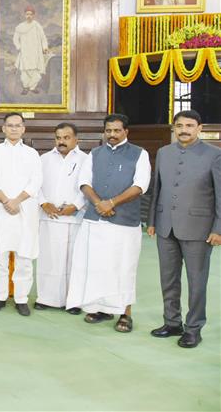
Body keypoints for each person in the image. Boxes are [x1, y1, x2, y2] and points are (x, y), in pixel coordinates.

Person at [66, 113, 151, 334]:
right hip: (95, 219)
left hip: (125, 222)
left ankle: (125, 312)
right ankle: (100, 308)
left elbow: (140, 185)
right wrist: (99, 204)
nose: (112, 135)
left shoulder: (139, 154)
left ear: (126, 132)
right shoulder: (94, 153)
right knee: (96, 266)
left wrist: (112, 202)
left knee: (124, 266)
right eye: (108, 131)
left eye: (117, 131)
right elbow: (84, 182)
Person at [147, 110, 221, 348]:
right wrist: (151, 221)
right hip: (165, 226)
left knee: (196, 281)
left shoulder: (215, 155)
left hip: (199, 229)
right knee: (168, 278)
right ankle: (172, 322)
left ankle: (193, 328)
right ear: (173, 128)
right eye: (179, 125)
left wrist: (218, 228)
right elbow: (156, 190)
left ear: (200, 128)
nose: (184, 130)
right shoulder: (164, 153)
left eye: (189, 125)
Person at [0, 112, 42, 316]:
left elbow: (36, 182)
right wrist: (7, 201)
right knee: (0, 256)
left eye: (18, 125)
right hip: (1, 209)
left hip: (24, 210)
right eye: (10, 125)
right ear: (3, 128)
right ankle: (0, 297)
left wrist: (16, 201)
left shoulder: (32, 154)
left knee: (24, 257)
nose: (14, 129)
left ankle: (21, 298)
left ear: (24, 129)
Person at [35, 122, 88, 314]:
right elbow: (35, 185)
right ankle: (46, 298)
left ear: (76, 139)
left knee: (72, 261)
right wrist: (43, 203)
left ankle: (72, 301)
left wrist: (75, 205)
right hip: (49, 216)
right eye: (58, 137)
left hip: (74, 217)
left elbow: (88, 185)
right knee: (48, 259)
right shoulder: (44, 159)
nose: (62, 141)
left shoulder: (85, 159)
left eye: (66, 137)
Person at [12, 5, 49, 95]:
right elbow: (15, 39)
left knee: (35, 71)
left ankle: (32, 87)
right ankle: (25, 87)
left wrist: (44, 47)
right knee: (25, 71)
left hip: (36, 52)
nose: (29, 16)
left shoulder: (37, 26)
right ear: (25, 15)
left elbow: (43, 37)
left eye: (31, 14)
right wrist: (19, 47)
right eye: (27, 14)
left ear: (33, 15)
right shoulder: (20, 27)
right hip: (25, 52)